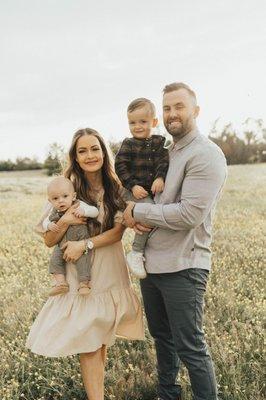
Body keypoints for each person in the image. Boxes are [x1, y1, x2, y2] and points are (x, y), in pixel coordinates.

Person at [123, 82, 227, 400]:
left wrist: (136, 211)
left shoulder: (206, 154)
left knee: (191, 347)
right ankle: (169, 394)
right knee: (163, 338)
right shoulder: (166, 152)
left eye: (179, 106)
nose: (172, 114)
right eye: (166, 108)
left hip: (184, 265)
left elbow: (188, 215)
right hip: (152, 265)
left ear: (195, 111)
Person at [26, 128, 144, 400]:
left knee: (99, 339)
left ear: (103, 152)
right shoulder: (65, 187)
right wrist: (66, 222)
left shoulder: (116, 186)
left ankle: (97, 394)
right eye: (82, 150)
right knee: (89, 343)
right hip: (80, 272)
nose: (90, 155)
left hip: (108, 266)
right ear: (75, 157)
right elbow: (48, 239)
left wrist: (85, 244)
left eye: (95, 148)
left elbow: (117, 233)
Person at [115, 97, 169, 278]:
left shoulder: (159, 142)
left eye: (143, 122)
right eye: (132, 122)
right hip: (132, 189)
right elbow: (120, 167)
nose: (137, 126)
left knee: (153, 215)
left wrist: (160, 177)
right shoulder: (128, 144)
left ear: (154, 122)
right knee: (149, 212)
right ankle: (136, 252)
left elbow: (163, 161)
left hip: (148, 190)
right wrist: (133, 185)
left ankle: (146, 249)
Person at [43, 176, 99, 296]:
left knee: (83, 261)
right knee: (54, 260)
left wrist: (84, 212)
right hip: (61, 243)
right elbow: (45, 222)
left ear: (73, 196)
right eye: (55, 198)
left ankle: (84, 284)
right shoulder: (53, 211)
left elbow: (95, 211)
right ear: (50, 201)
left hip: (79, 240)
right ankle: (61, 283)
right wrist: (49, 226)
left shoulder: (79, 205)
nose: (60, 201)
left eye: (65, 196)